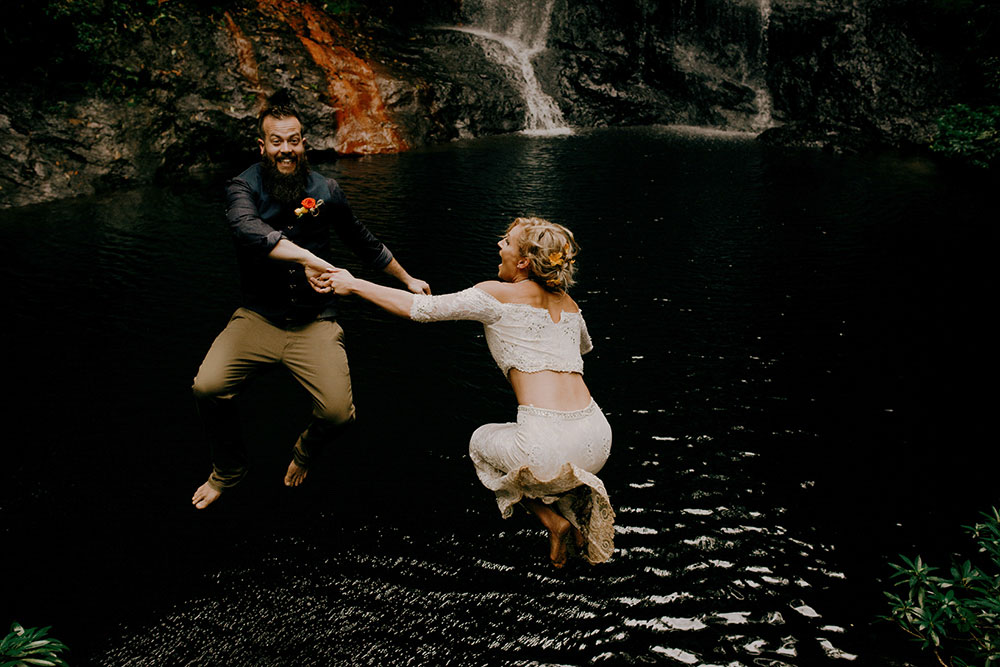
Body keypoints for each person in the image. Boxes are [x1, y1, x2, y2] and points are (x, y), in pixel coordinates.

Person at [321, 217, 614, 567]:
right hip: (598, 436)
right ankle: (569, 509)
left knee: (481, 443)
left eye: (506, 242)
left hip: (547, 444)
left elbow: (420, 310)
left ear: (523, 261)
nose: (499, 246)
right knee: (541, 456)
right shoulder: (569, 304)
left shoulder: (496, 295)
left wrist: (353, 284)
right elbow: (582, 348)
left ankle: (554, 520)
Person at [190, 95, 430, 510]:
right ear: (262, 145)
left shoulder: (326, 190)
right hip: (258, 318)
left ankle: (304, 452)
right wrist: (309, 258)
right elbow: (248, 231)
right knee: (206, 387)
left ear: (304, 143)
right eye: (277, 141)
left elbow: (364, 242)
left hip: (315, 320)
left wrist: (408, 279)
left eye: (294, 140)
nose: (287, 150)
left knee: (339, 414)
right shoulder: (241, 187)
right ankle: (228, 470)